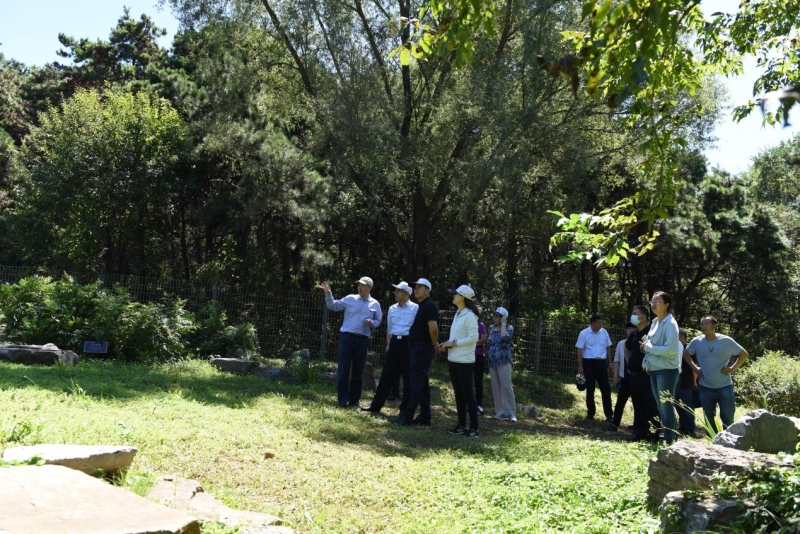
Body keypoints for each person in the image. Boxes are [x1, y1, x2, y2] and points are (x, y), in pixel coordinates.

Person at [318, 278, 383, 408]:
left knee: (358, 371)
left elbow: (378, 321)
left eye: (363, 286)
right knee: (343, 369)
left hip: (363, 340)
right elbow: (333, 306)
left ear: (370, 288)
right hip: (347, 338)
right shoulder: (350, 298)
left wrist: (371, 323)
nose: (360, 288)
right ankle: (342, 399)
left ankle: (354, 400)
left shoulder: (375, 304)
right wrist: (328, 294)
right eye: (359, 285)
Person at [360, 281, 418, 414]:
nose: (395, 293)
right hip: (394, 342)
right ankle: (375, 405)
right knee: (386, 375)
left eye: (399, 290)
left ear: (407, 293)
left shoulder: (415, 308)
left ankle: (405, 409)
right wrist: (388, 344)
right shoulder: (392, 308)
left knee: (407, 376)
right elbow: (389, 328)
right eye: (395, 290)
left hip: (408, 343)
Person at [685, 316, 749, 434]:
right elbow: (685, 353)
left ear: (714, 326)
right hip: (705, 387)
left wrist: (732, 368)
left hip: (724, 386)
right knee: (708, 418)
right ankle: (712, 440)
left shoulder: (726, 341)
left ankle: (729, 440)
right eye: (702, 324)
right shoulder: (696, 342)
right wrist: (695, 368)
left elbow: (744, 354)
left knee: (727, 418)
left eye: (706, 323)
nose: (703, 326)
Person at [394, 278, 439, 426]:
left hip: (421, 348)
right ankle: (425, 416)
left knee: (415, 384)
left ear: (428, 290)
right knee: (422, 383)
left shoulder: (429, 305)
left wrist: (434, 344)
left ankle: (407, 417)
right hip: (418, 348)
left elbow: (433, 328)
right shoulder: (423, 305)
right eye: (415, 287)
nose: (416, 289)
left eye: (420, 287)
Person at [438, 285, 480, 437]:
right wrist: (446, 344)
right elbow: (456, 337)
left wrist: (453, 343)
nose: (453, 296)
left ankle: (474, 429)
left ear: (462, 297)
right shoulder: (458, 313)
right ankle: (461, 425)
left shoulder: (469, 315)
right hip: (453, 359)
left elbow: (474, 338)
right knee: (459, 394)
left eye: (455, 294)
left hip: (464, 361)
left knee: (467, 394)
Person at [641, 291, 682, 443]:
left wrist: (647, 347)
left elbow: (670, 350)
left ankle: (670, 441)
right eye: (652, 301)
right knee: (661, 406)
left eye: (657, 301)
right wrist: (647, 359)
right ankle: (669, 439)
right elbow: (650, 345)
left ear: (666, 305)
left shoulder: (670, 323)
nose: (653, 304)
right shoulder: (654, 322)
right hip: (654, 369)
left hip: (667, 371)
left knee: (666, 407)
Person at [626, 304, 660, 442]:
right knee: (638, 406)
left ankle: (653, 435)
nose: (632, 316)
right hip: (634, 376)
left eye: (635, 314)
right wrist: (629, 363)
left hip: (646, 376)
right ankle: (640, 433)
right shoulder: (635, 333)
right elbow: (626, 348)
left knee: (650, 405)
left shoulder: (651, 332)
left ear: (644, 317)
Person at [575, 314, 613, 422]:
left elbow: (608, 347)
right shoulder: (584, 333)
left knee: (606, 389)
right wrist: (580, 366)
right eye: (599, 323)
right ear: (592, 323)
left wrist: (610, 363)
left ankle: (609, 414)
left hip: (602, 362)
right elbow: (579, 349)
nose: (601, 325)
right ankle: (591, 413)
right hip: (589, 363)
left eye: (601, 323)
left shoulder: (604, 332)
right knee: (590, 388)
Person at [487, 306, 517, 422]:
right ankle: (500, 411)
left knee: (506, 386)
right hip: (493, 361)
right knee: (496, 387)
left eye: (497, 316)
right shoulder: (492, 328)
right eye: (494, 315)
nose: (494, 318)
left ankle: (511, 413)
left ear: (503, 318)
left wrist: (503, 324)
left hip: (504, 361)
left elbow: (505, 338)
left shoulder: (509, 328)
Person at [605, 322, 636, 432]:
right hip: (624, 377)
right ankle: (615, 423)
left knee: (638, 402)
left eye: (633, 328)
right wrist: (615, 377)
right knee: (620, 401)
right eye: (628, 328)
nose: (631, 330)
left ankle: (637, 425)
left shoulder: (641, 343)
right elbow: (617, 361)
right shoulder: (621, 344)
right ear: (625, 331)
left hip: (637, 377)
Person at [676, 330, 698, 436]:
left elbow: (694, 366)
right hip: (676, 381)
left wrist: (694, 380)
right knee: (678, 405)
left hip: (687, 381)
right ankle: (683, 426)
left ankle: (690, 428)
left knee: (687, 406)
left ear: (682, 337)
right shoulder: (675, 348)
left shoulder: (689, 349)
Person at [474, 319, 487, 416]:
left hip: (478, 356)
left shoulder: (481, 325)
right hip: (467, 356)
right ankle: (468, 404)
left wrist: (470, 342)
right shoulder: (466, 325)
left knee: (478, 381)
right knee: (467, 381)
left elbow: (483, 340)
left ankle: (479, 405)